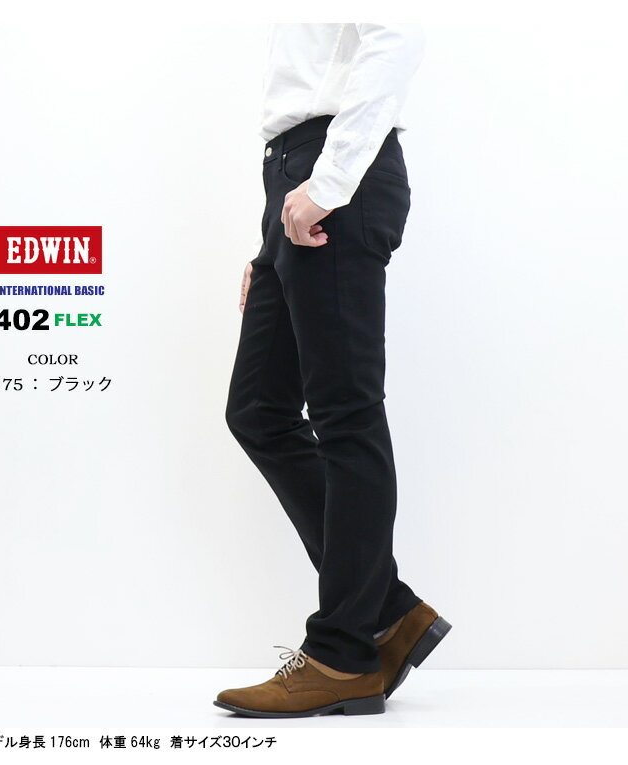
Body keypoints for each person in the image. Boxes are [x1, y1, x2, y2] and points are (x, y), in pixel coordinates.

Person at [215, 23, 451, 719]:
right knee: (258, 410)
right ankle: (386, 608)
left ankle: (344, 654)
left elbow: (397, 35)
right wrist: (270, 236)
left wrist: (331, 179)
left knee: (346, 412)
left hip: (334, 170)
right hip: (295, 176)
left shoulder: (335, 168)